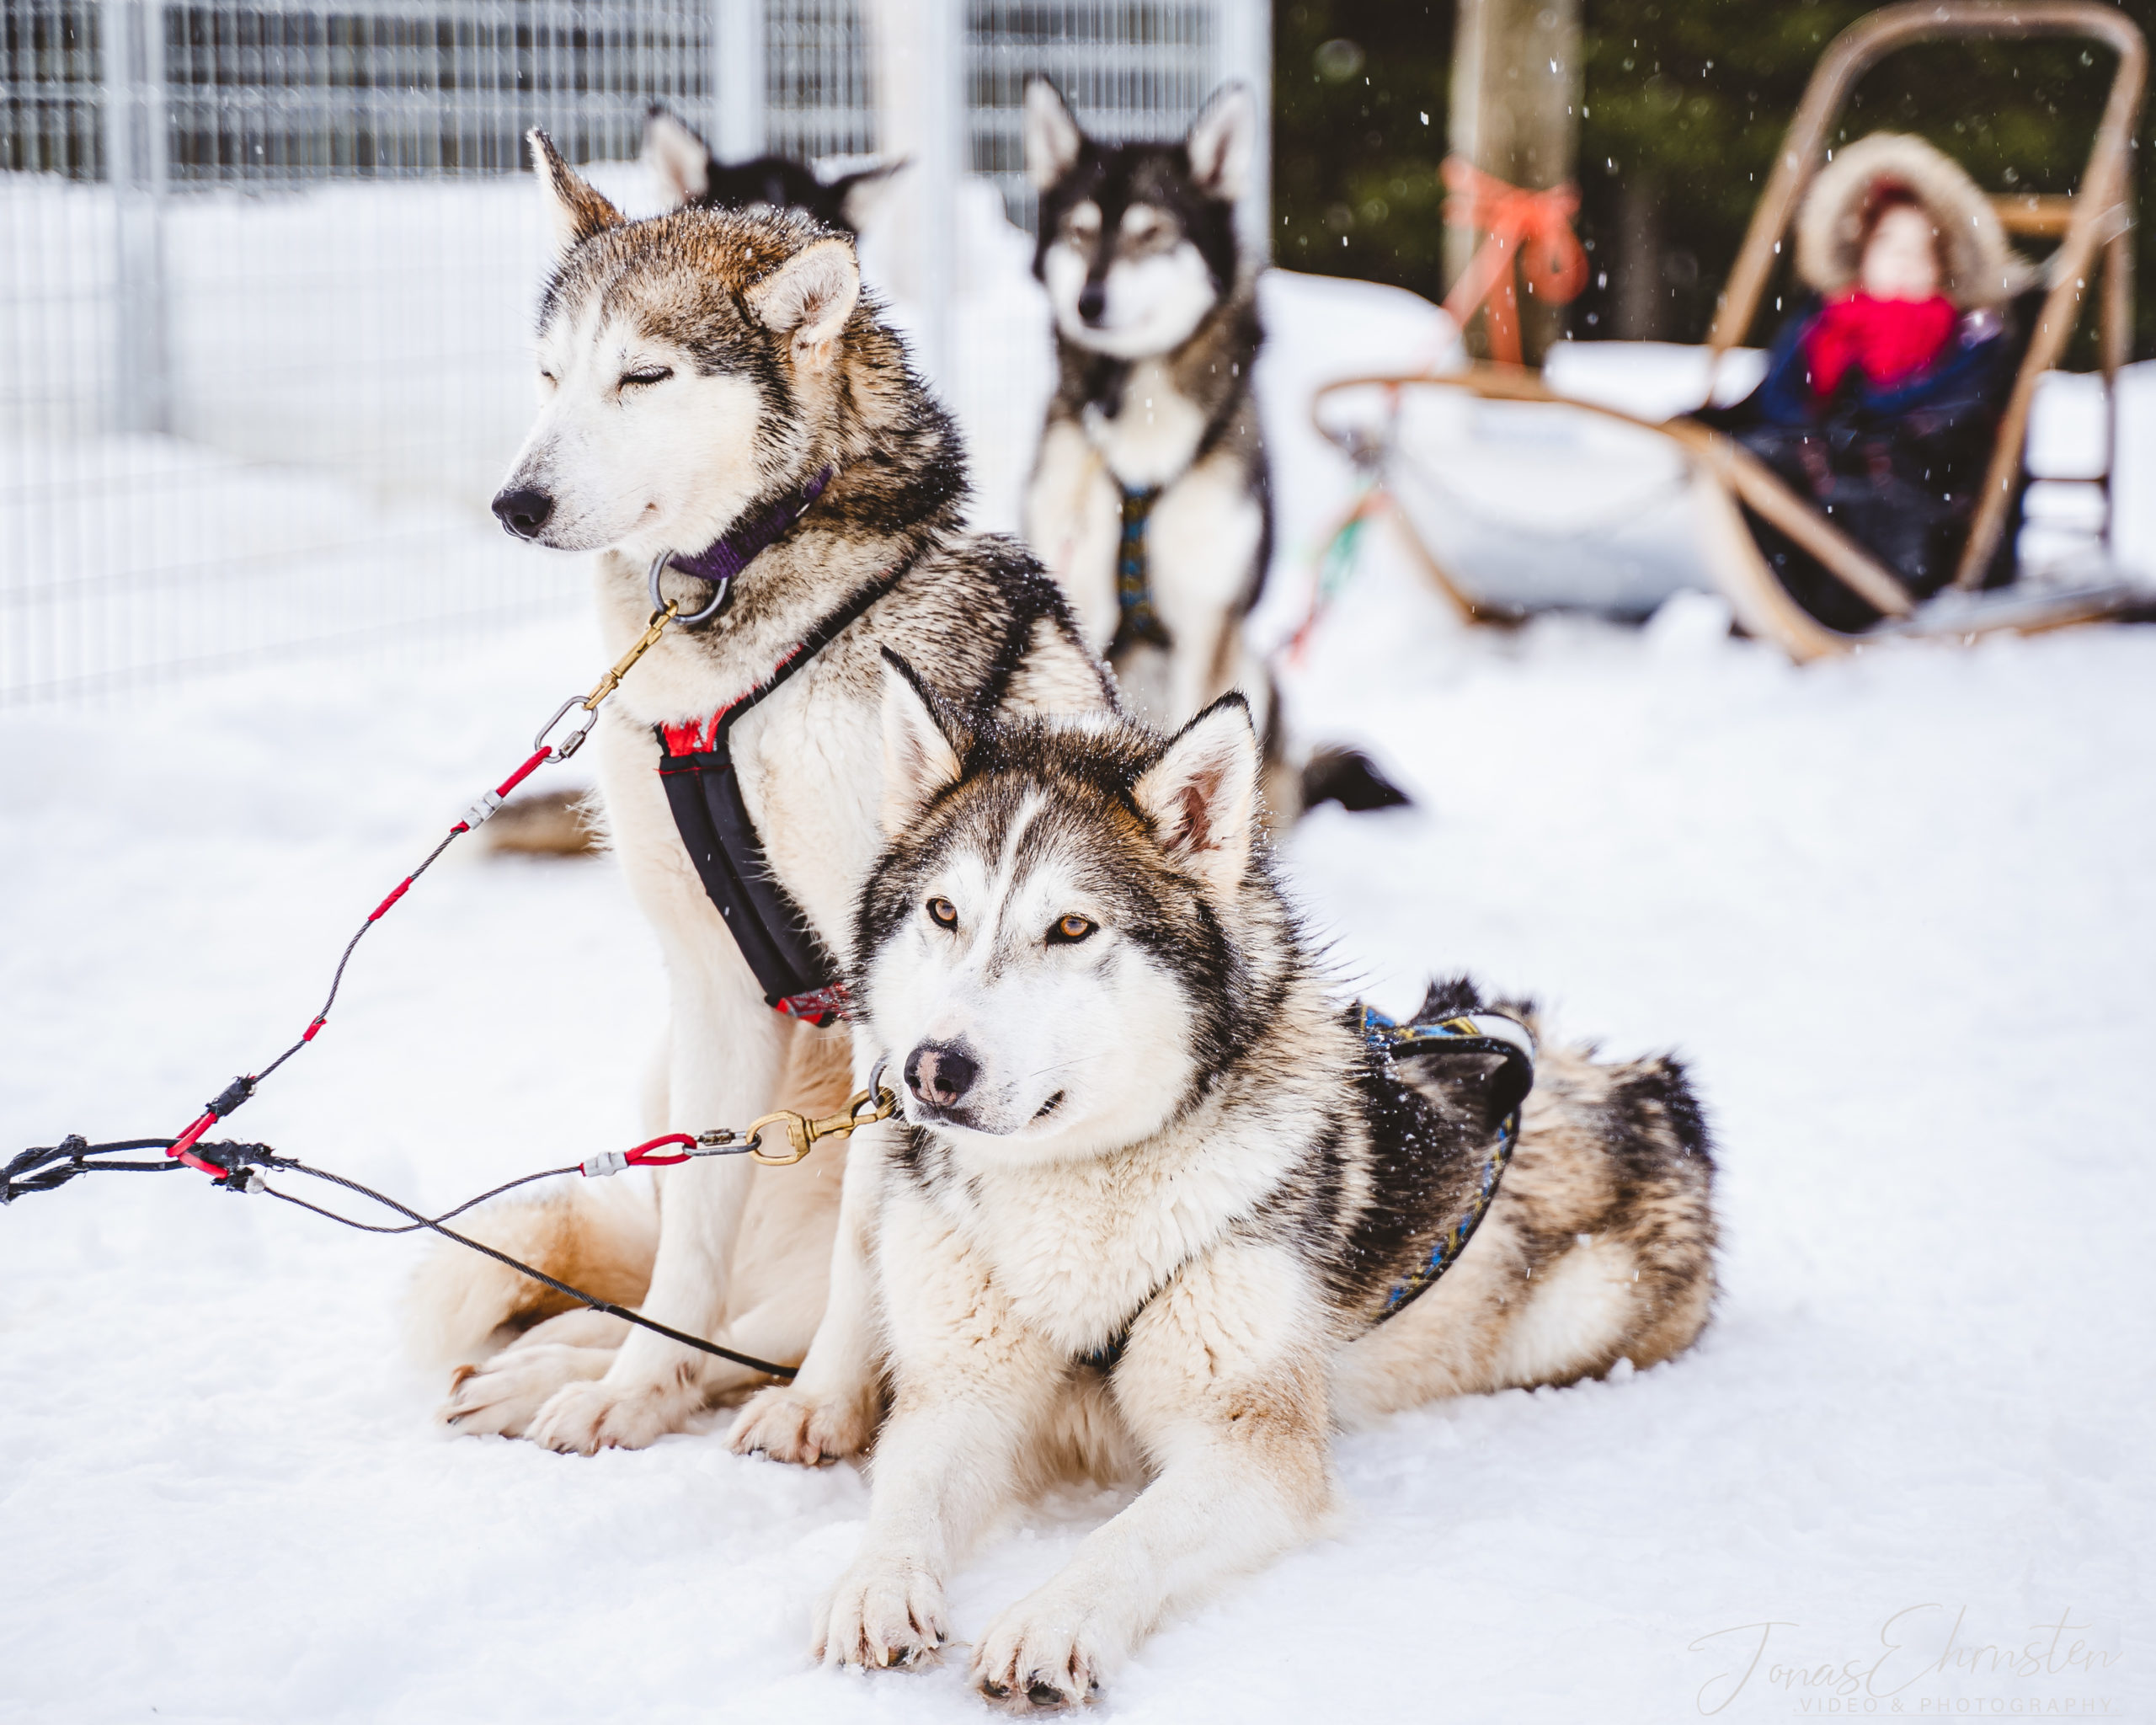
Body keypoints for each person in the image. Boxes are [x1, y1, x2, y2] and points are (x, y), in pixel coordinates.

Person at [1697, 134, 2036, 630]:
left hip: (1910, 505)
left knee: (1819, 482)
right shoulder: (1821, 327)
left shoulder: (1969, 342)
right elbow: (1778, 402)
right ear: (1861, 251)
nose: (1905, 261)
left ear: (1944, 267)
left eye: (1924, 251)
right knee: (1748, 460)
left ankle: (1814, 592)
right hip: (1823, 476)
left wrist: (1854, 432)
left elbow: (1948, 425)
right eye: (1890, 244)